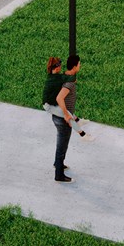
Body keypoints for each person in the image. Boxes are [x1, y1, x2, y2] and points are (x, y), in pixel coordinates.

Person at [53, 54, 81, 183]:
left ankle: (58, 164)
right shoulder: (69, 83)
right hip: (63, 119)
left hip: (59, 116)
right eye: (79, 64)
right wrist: (66, 114)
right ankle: (59, 175)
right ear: (75, 66)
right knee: (62, 146)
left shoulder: (66, 76)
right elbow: (59, 98)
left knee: (61, 144)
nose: (80, 66)